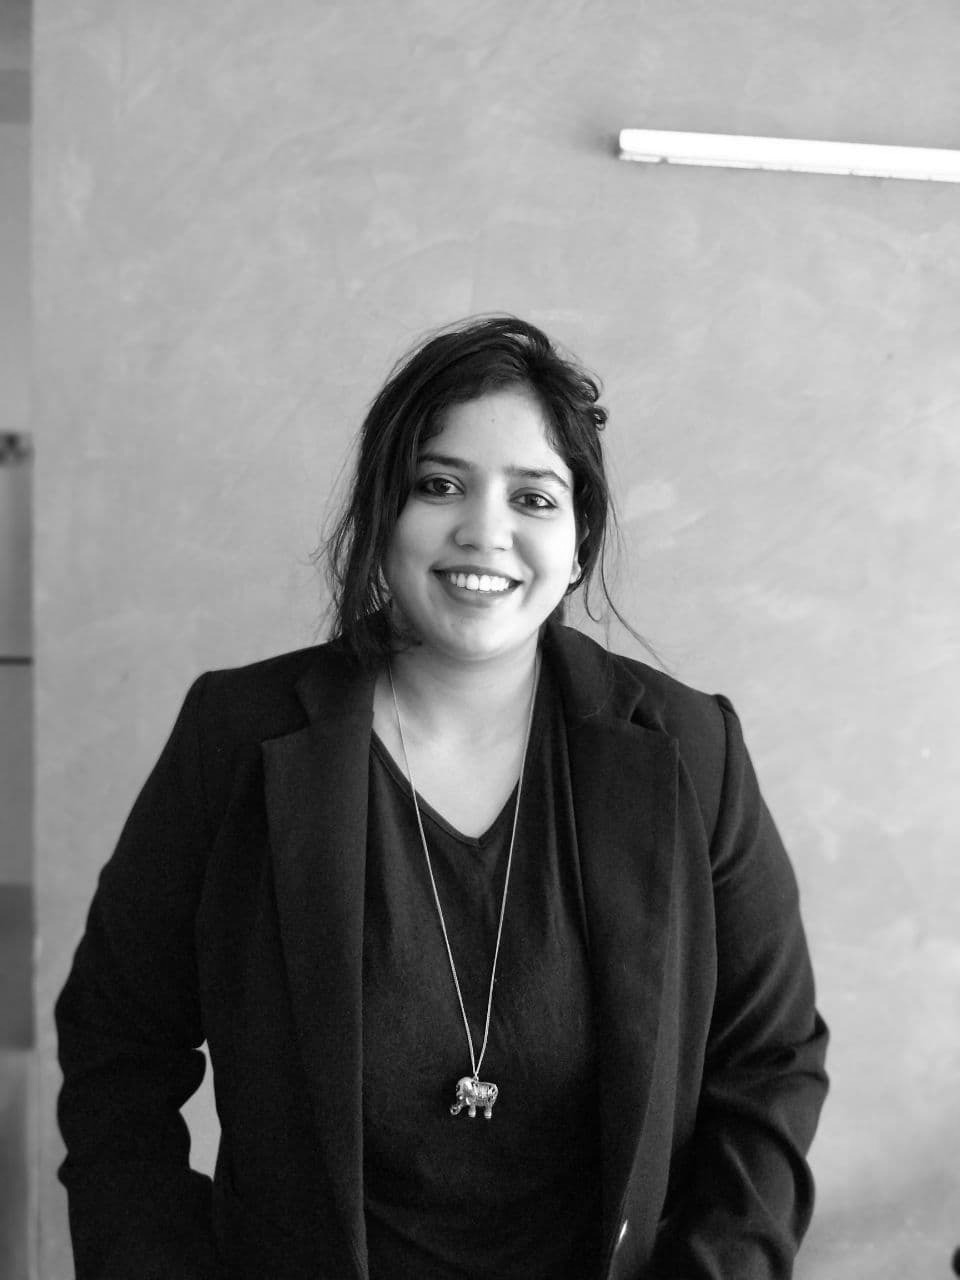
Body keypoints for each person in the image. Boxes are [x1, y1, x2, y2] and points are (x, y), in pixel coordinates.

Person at [56, 315, 829, 1280]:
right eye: (439, 485)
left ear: (578, 543)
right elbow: (117, 1046)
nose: (484, 531)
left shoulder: (690, 751)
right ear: (383, 514)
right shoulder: (237, 736)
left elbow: (771, 1061)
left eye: (533, 497)